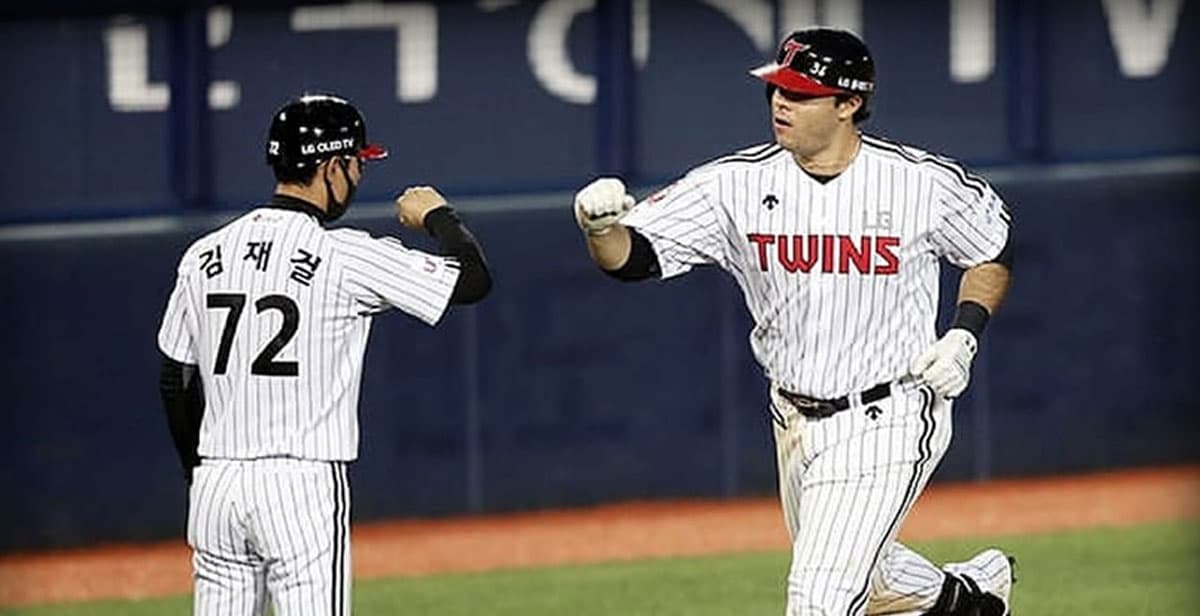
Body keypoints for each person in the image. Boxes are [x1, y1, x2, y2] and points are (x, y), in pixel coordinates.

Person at [572, 28, 1015, 616]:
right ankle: (972, 600)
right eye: (777, 89)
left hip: (891, 410)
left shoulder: (919, 183)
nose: (781, 102)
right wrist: (601, 230)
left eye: (801, 93)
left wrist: (964, 333)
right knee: (873, 579)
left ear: (849, 103)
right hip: (794, 419)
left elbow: (992, 246)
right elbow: (633, 261)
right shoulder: (733, 184)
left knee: (819, 599)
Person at [157, 93, 491, 615]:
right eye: (357, 163)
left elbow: (176, 376)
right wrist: (439, 217)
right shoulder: (344, 255)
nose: (359, 175)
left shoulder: (203, 255)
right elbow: (472, 281)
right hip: (301, 480)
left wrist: (196, 471)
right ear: (333, 166)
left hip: (216, 482)